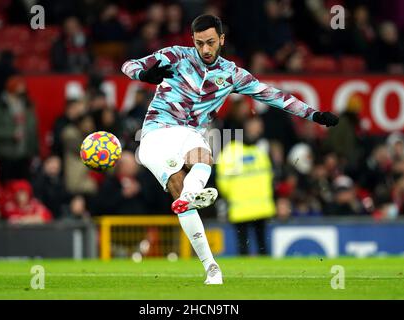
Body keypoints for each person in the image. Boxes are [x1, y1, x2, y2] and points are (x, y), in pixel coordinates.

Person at [121, 14, 339, 285]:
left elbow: (273, 95)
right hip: (155, 133)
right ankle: (193, 195)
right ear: (193, 41)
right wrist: (145, 74)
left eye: (211, 42)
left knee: (195, 168)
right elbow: (128, 65)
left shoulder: (232, 74)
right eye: (200, 43)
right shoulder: (175, 56)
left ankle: (211, 267)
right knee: (192, 170)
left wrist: (314, 115)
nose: (206, 49)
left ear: (222, 40)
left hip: (189, 134)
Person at [216, 116, 276, 255]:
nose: (259, 129)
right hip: (257, 206)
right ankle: (264, 274)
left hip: (243, 208)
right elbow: (268, 176)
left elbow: (223, 181)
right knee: (261, 246)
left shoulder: (232, 152)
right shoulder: (257, 151)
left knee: (244, 247)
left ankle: (243, 275)